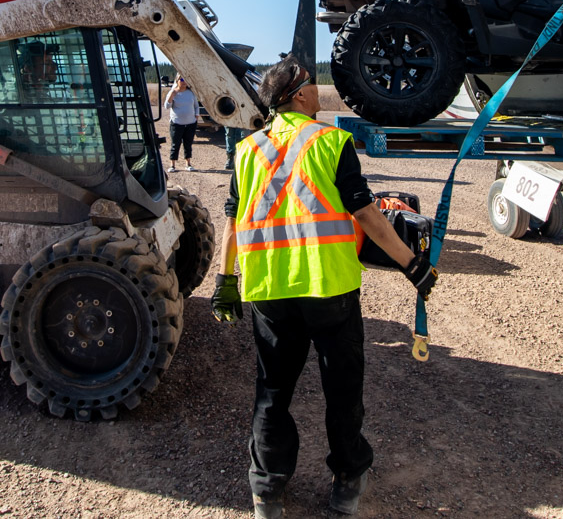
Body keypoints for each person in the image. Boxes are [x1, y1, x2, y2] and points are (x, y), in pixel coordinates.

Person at [212, 57, 438, 519]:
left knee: (272, 393)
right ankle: (347, 481)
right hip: (328, 289)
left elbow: (233, 223)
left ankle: (267, 491)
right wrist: (412, 265)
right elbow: (368, 216)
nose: (318, 91)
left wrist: (225, 280)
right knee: (342, 390)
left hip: (270, 292)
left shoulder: (247, 149)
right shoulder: (331, 142)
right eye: (313, 85)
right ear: (299, 96)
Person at [163, 75, 198, 171]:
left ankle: (188, 164)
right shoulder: (173, 92)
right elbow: (166, 106)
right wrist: (172, 95)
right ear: (177, 81)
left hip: (190, 123)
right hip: (177, 123)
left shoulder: (191, 93)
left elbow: (196, 106)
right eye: (181, 79)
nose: (184, 81)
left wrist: (197, 115)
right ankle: (172, 165)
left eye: (185, 79)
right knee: (175, 144)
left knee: (188, 144)